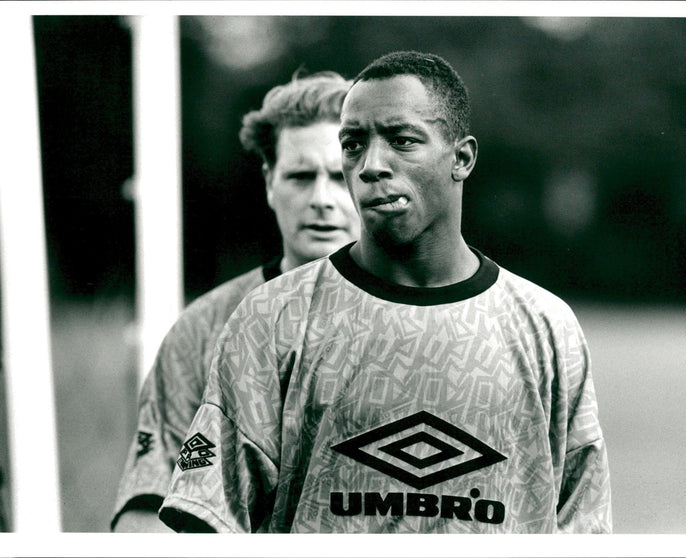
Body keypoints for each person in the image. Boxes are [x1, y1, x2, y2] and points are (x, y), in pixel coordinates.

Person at [158, 51, 612, 533]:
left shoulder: (545, 326)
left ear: (462, 157)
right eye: (353, 144)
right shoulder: (273, 316)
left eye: (401, 140)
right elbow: (208, 520)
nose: (371, 165)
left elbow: (582, 525)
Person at [110, 71, 360, 532]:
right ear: (269, 181)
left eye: (340, 178)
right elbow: (145, 514)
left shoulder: (442, 323)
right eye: (301, 177)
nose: (322, 199)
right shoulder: (205, 327)